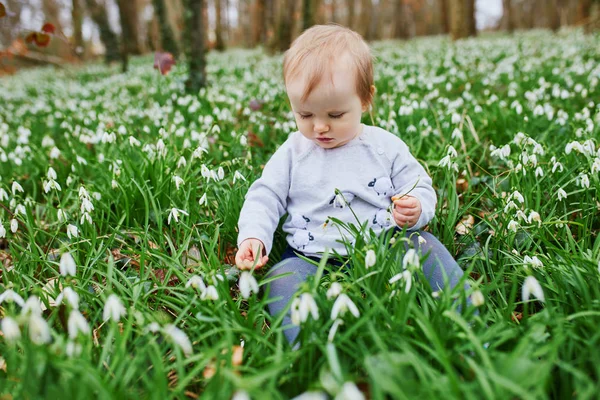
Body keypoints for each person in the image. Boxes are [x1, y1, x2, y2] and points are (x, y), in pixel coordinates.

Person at [235, 24, 469, 344]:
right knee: (281, 282)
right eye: (304, 114)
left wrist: (416, 208)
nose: (319, 126)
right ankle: (307, 351)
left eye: (335, 114)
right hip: (307, 257)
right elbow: (265, 196)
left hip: (385, 244)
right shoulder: (292, 152)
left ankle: (466, 319)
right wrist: (253, 235)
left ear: (366, 99)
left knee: (426, 249)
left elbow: (418, 183)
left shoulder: (385, 146)